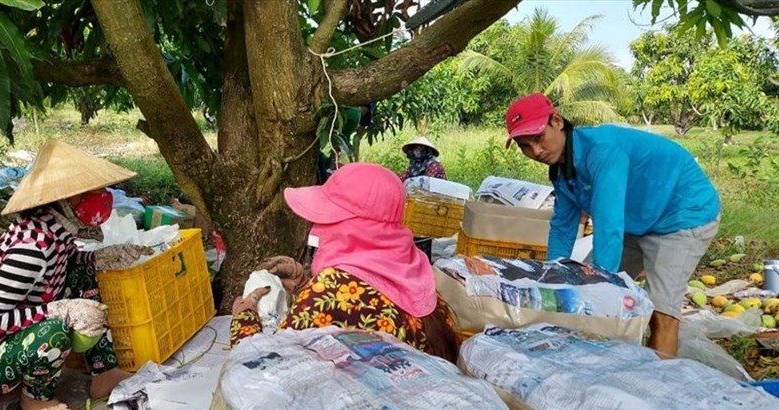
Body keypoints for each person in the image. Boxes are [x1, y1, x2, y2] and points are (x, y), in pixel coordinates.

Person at [0, 139, 144, 410]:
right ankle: (36, 399)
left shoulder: (55, 231)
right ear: (63, 199)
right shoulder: (31, 250)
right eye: (89, 192)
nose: (101, 196)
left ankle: (104, 371)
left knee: (80, 275)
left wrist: (100, 258)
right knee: (53, 331)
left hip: (7, 342)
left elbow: (70, 265)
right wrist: (56, 311)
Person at [504, 93, 720, 357]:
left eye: (538, 138)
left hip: (681, 214)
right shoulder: (562, 171)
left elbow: (608, 227)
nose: (535, 151)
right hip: (636, 220)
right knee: (584, 286)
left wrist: (601, 286)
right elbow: (562, 228)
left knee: (661, 313)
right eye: (524, 146)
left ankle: (661, 387)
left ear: (557, 121)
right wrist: (552, 280)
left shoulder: (602, 151)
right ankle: (608, 361)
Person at [230, 162, 460, 363]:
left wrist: (244, 318)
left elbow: (266, 369)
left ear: (351, 227)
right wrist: (304, 285)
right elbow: (362, 308)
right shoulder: (416, 268)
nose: (317, 227)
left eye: (327, 218)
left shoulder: (331, 289)